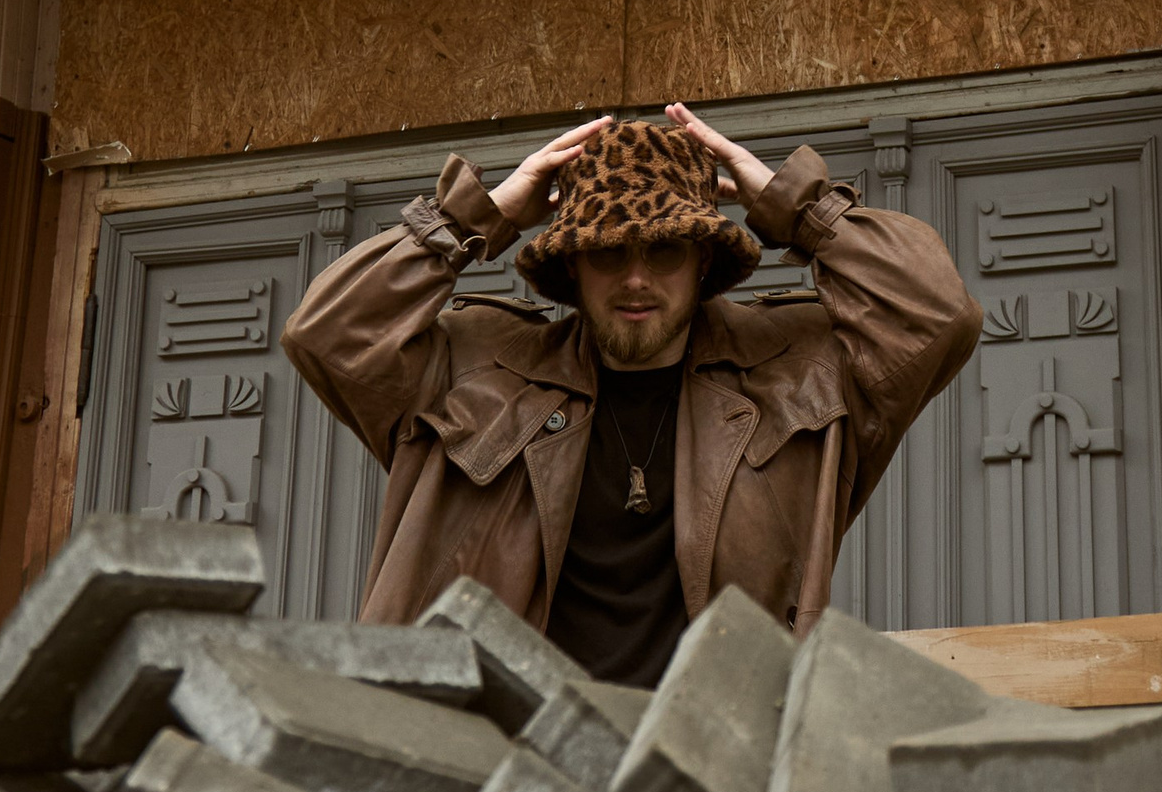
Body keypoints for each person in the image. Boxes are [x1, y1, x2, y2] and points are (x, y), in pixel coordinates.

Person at [281, 103, 983, 684]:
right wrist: (474, 217)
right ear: (572, 265)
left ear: (704, 259)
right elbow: (327, 331)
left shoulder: (799, 373)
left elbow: (937, 314)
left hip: (711, 782)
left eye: (666, 250)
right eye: (610, 250)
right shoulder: (472, 368)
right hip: (499, 780)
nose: (637, 278)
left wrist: (797, 207)